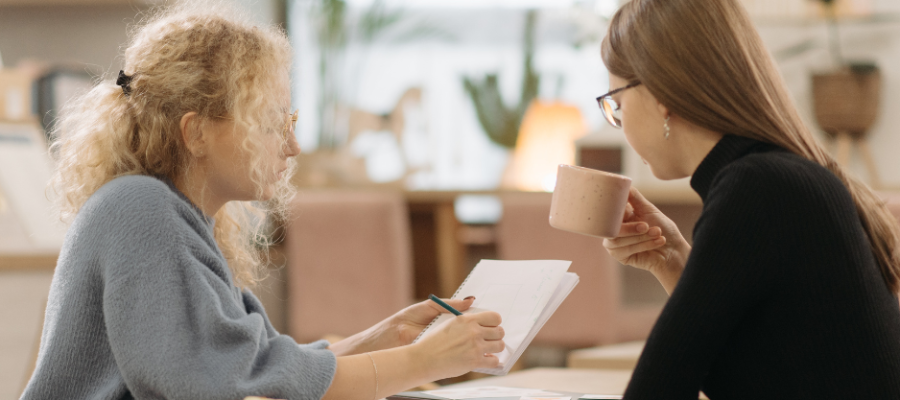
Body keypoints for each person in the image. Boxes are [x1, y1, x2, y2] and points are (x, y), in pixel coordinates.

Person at [21, 4, 504, 400]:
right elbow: (221, 380)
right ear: (197, 132)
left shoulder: (175, 214)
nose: (292, 146)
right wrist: (426, 361)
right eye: (271, 123)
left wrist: (384, 337)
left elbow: (263, 366)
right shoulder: (140, 209)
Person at [595, 0, 900, 398]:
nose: (620, 123)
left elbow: (658, 388)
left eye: (617, 104)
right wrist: (672, 261)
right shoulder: (777, 176)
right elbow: (753, 373)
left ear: (659, 95)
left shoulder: (756, 188)